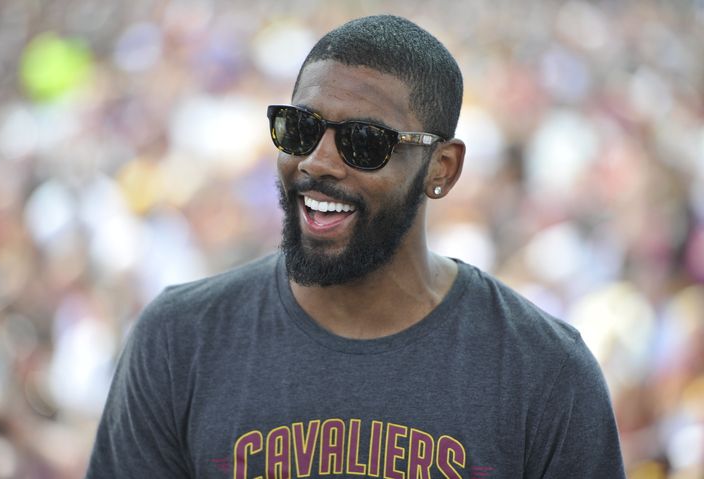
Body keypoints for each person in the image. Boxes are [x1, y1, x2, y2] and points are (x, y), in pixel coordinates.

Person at [86, 15, 626, 479]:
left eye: (364, 142)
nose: (318, 162)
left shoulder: (545, 371)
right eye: (298, 128)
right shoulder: (180, 340)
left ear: (442, 168)